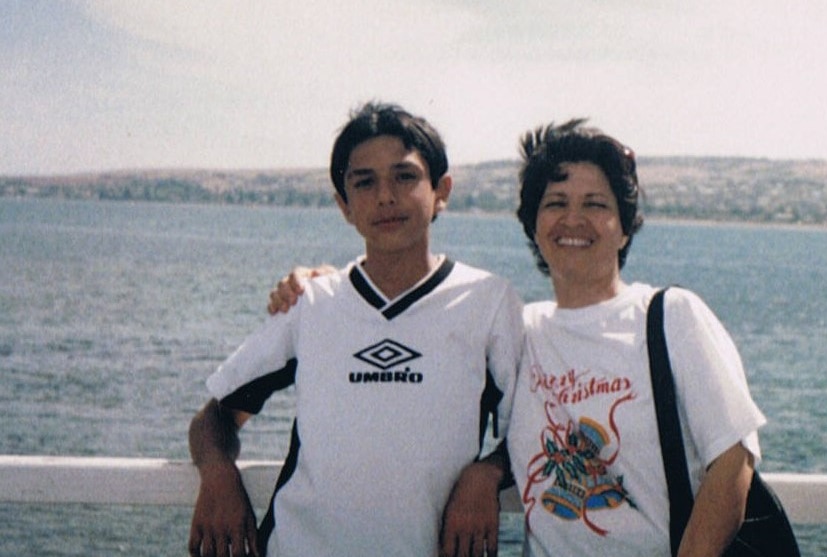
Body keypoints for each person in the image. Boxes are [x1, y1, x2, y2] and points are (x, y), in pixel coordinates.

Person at [272, 119, 768, 557]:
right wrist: (485, 473)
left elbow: (733, 461)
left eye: (595, 204)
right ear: (534, 225)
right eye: (556, 203)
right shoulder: (520, 327)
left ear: (624, 228)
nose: (573, 219)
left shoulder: (669, 316)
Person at [187, 101, 523, 557]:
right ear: (343, 205)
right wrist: (218, 473)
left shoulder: (487, 301)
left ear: (441, 190)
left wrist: (487, 473)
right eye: (364, 182)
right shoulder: (313, 302)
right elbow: (214, 418)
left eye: (405, 177)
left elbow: (530, 431)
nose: (385, 196)